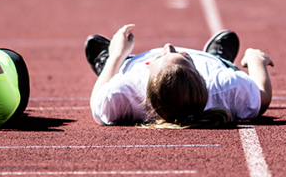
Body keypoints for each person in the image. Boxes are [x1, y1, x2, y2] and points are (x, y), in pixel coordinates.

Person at [86, 26, 272, 127]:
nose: (168, 45)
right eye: (184, 57)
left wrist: (116, 56)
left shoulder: (125, 90)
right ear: (199, 73)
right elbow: (262, 96)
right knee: (221, 63)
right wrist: (257, 61)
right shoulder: (223, 84)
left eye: (160, 57)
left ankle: (104, 61)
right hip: (209, 61)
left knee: (111, 69)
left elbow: (97, 102)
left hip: (132, 61)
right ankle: (218, 56)